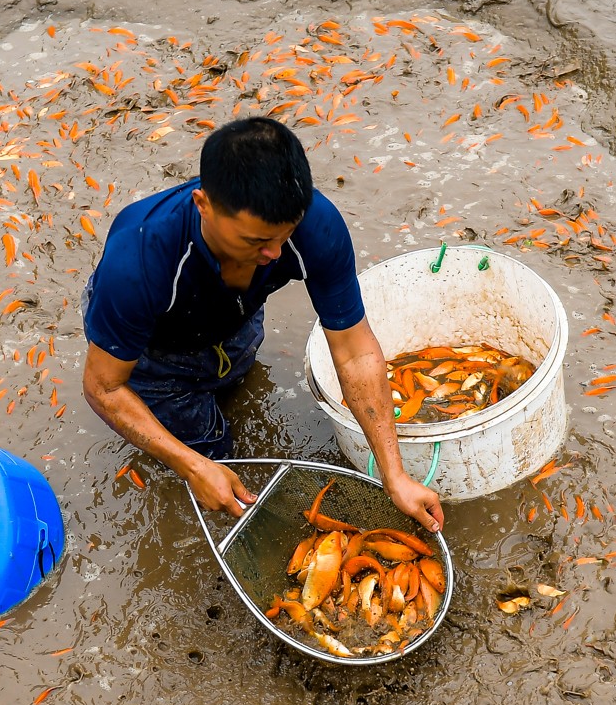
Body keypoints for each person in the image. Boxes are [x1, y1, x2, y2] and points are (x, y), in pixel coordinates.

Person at [81, 117, 443, 532]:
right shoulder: (139, 259)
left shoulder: (315, 227)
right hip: (154, 352)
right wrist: (193, 465)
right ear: (204, 205)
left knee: (237, 375)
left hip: (234, 319)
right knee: (212, 453)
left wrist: (393, 473)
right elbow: (102, 386)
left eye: (283, 235)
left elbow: (355, 350)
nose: (274, 253)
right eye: (254, 242)